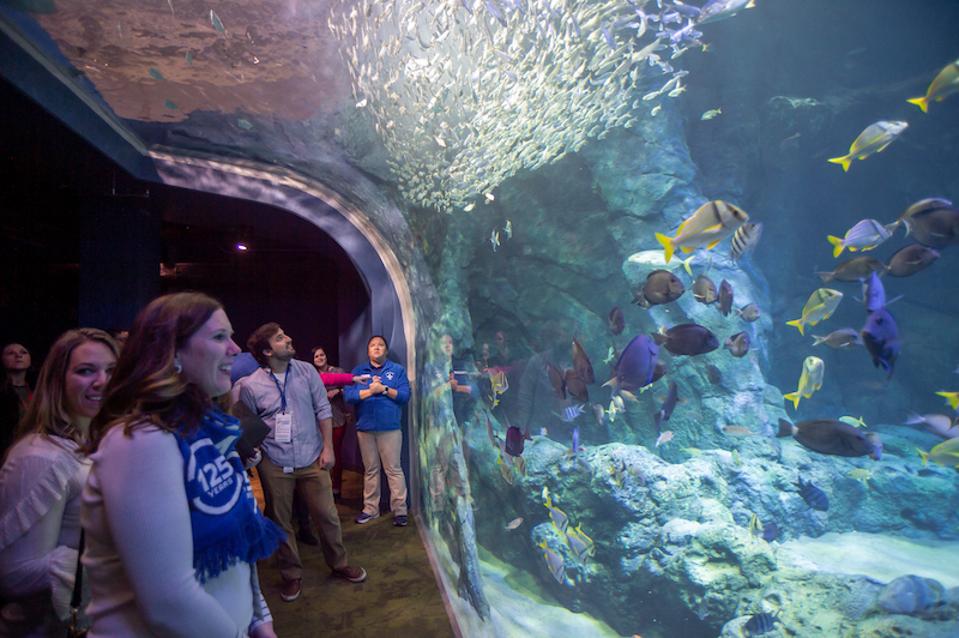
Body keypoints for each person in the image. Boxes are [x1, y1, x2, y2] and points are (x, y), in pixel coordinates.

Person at [83, 292, 283, 637]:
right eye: (220, 337)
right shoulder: (140, 441)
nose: (235, 349)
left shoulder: (208, 430)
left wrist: (257, 616)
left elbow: (239, 545)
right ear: (171, 351)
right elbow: (168, 602)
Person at [238, 323, 366, 604]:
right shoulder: (250, 385)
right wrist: (257, 457)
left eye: (286, 334)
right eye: (281, 338)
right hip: (274, 463)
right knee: (281, 521)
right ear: (267, 350)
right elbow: (249, 424)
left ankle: (339, 563)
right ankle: (291, 574)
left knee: (328, 516)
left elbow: (323, 409)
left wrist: (328, 448)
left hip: (312, 457)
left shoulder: (307, 371)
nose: (289, 339)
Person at [0, 329, 116, 636]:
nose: (102, 381)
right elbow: (12, 572)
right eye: (85, 371)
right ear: (57, 381)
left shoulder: (99, 441)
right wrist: (119, 556)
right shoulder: (40, 457)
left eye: (111, 371)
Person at [344, 336, 411, 527]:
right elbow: (350, 396)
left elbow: (405, 396)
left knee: (393, 469)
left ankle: (400, 511)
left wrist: (384, 389)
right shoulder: (359, 371)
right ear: (368, 351)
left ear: (386, 351)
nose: (376, 348)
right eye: (372, 345)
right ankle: (370, 509)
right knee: (371, 470)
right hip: (365, 429)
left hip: (390, 429)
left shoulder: (397, 370)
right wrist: (370, 392)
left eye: (380, 345)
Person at [1, 343, 32, 462]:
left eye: (23, 352)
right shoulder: (3, 392)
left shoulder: (39, 391)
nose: (18, 355)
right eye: (11, 353)